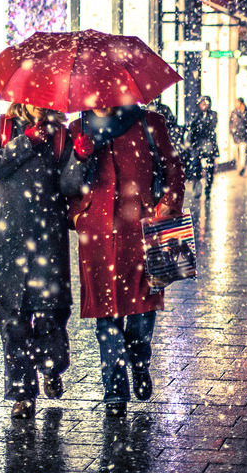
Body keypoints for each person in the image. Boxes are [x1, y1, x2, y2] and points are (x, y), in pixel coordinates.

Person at [61, 104, 185, 418]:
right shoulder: (79, 128)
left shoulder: (150, 122)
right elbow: (68, 186)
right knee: (107, 316)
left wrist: (169, 204)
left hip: (143, 230)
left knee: (143, 312)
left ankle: (140, 361)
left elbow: (174, 170)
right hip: (98, 235)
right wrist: (79, 215)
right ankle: (114, 390)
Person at [0, 103, 72, 419]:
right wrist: (25, 142)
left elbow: (71, 186)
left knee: (50, 316)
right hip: (7, 240)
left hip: (47, 239)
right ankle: (22, 395)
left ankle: (52, 368)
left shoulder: (61, 133)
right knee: (13, 323)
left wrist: (81, 160)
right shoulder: (1, 126)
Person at [188, 96, 218, 198]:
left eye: (206, 103)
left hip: (209, 144)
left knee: (210, 167)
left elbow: (211, 126)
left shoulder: (213, 114)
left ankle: (208, 189)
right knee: (196, 166)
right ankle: (197, 188)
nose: (204, 105)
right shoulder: (196, 115)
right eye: (202, 103)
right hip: (197, 144)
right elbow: (192, 128)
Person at [229, 97, 247, 176]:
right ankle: (238, 166)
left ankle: (241, 167)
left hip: (243, 136)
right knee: (236, 152)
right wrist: (231, 131)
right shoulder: (234, 112)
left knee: (242, 152)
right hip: (236, 136)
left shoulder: (246, 112)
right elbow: (231, 122)